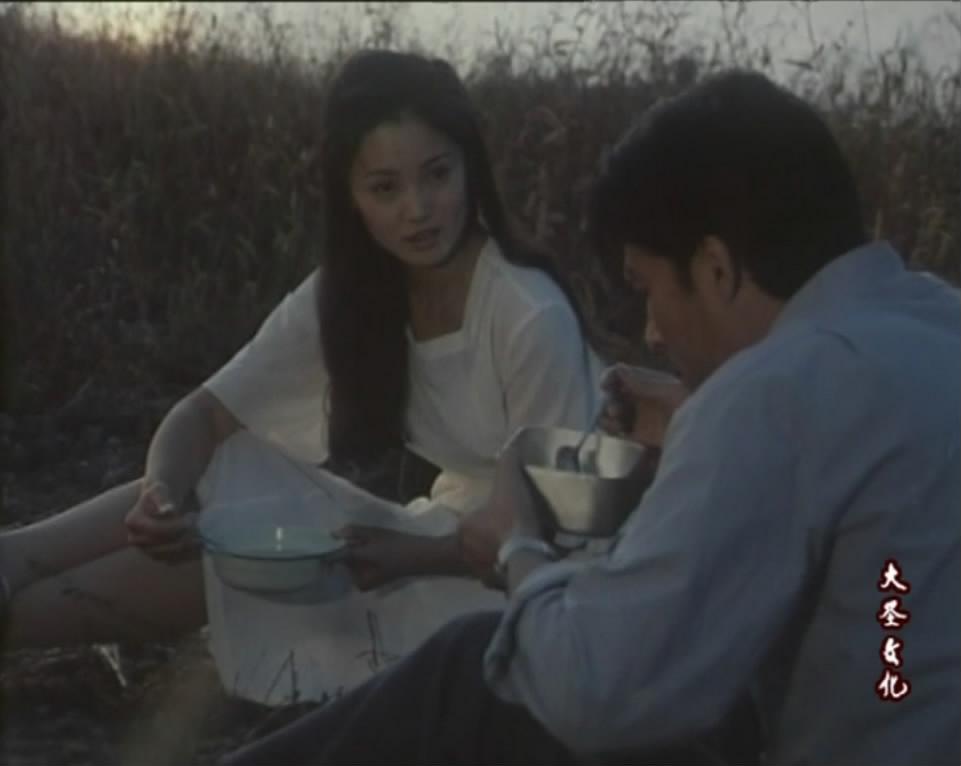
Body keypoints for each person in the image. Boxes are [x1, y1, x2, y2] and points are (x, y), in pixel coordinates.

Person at [220, 68, 961, 765]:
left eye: (648, 289)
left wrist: (518, 545)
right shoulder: (933, 320)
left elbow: (590, 694)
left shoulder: (768, 396)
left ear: (715, 268)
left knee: (476, 672)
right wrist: (696, 420)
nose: (653, 333)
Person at [0, 50, 604, 705]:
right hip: (443, 540)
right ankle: (15, 554)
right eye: (385, 188)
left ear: (470, 167)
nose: (418, 209)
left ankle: (14, 623)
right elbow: (205, 415)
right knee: (232, 470)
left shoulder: (528, 312)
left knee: (273, 556)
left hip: (535, 587)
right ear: (351, 197)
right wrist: (161, 494)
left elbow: (557, 522)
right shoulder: (354, 294)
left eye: (438, 174)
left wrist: (414, 556)